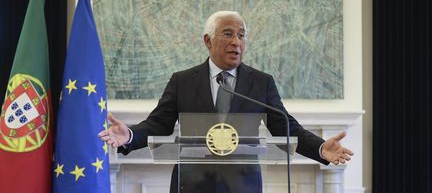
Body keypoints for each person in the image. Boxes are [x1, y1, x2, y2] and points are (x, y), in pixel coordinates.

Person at [99, 11, 353, 193]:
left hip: (242, 185)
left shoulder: (261, 82)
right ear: (208, 41)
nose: (237, 42)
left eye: (241, 36)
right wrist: (130, 135)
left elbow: (286, 127)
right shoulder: (183, 81)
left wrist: (321, 148)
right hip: (191, 184)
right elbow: (158, 124)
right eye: (228, 34)